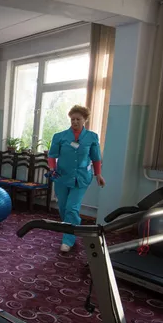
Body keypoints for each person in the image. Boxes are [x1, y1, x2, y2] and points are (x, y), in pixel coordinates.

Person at [47, 105, 106, 253]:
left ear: (85, 120)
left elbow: (96, 158)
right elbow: (52, 155)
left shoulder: (92, 137)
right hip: (61, 177)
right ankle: (73, 229)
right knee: (63, 208)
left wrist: (98, 174)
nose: (75, 122)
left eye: (78, 119)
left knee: (72, 208)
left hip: (81, 178)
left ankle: (68, 241)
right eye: (72, 119)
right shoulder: (59, 136)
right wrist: (52, 168)